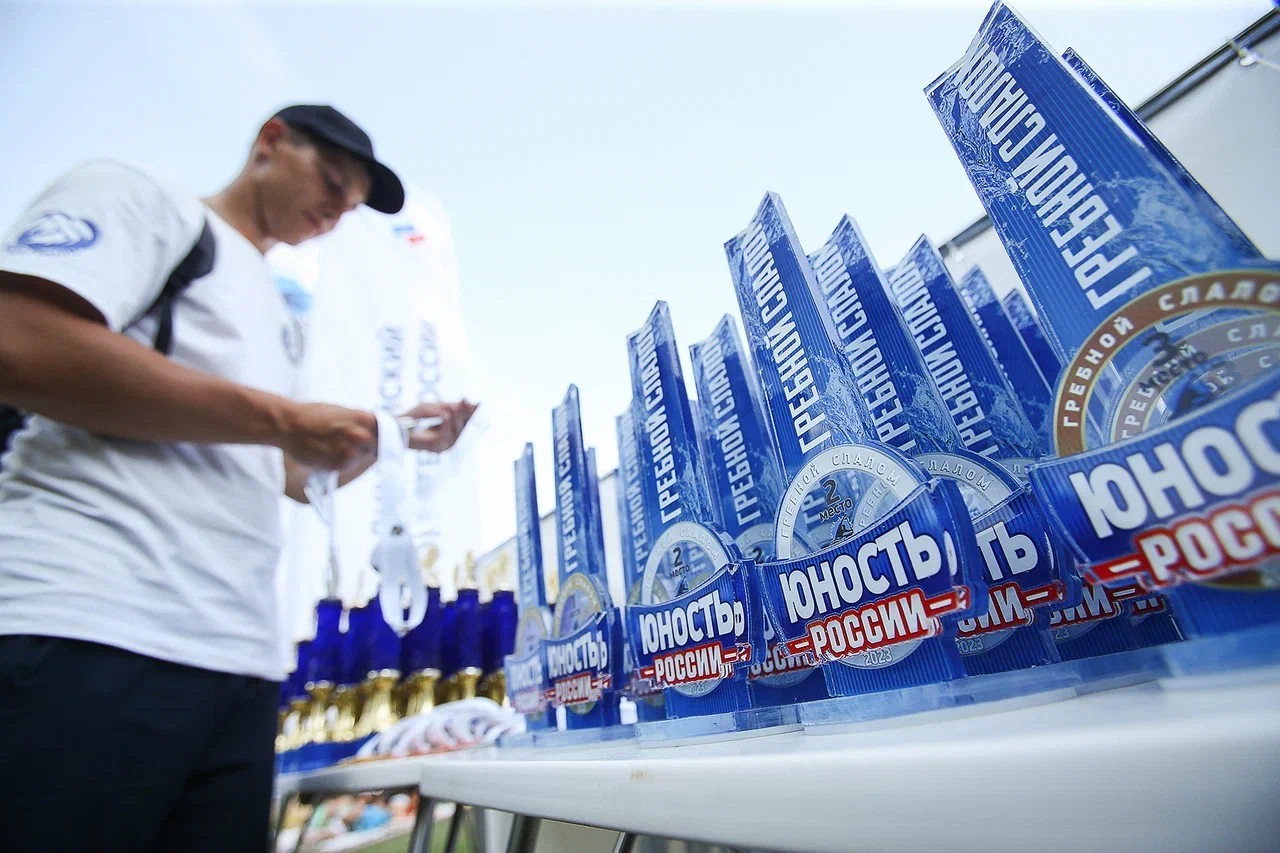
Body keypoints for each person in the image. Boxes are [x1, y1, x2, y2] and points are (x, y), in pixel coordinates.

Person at [0, 104, 478, 853]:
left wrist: (393, 439)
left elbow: (282, 473)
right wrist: (284, 418)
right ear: (270, 143)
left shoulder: (278, 314)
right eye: (331, 182)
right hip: (94, 626)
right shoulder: (144, 202)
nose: (336, 210)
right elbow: (20, 340)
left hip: (237, 662)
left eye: (352, 205)